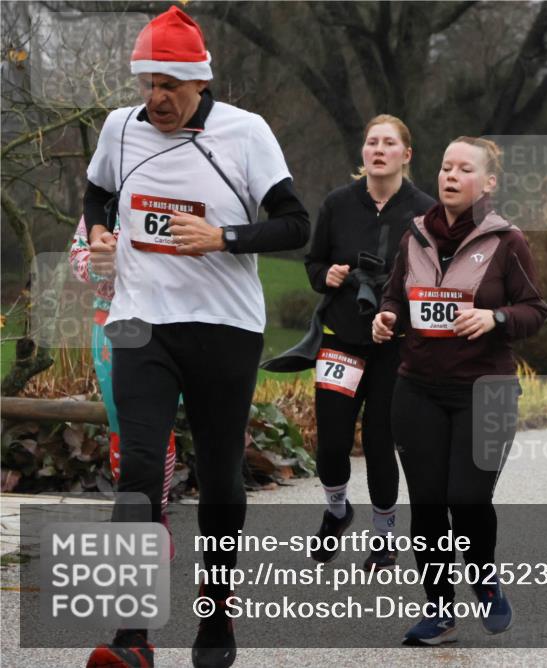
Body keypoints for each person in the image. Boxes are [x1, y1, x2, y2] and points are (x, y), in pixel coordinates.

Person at [82, 7, 309, 668]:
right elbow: (97, 192)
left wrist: (223, 237)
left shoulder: (245, 133)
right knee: (140, 474)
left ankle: (216, 623)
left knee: (219, 479)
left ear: (199, 83)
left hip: (224, 330)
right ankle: (132, 640)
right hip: (140, 321)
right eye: (146, 84)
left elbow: (296, 225)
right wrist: (101, 233)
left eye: (169, 87)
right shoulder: (121, 129)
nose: (155, 100)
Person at [373, 136, 547, 645]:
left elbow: (536, 309)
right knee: (427, 504)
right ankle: (440, 610)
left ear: (488, 183)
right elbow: (394, 296)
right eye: (445, 166)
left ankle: (486, 580)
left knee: (467, 499)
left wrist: (494, 316)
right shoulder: (414, 236)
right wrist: (387, 318)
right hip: (418, 388)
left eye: (463, 169)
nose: (449, 175)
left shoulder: (506, 241)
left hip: (485, 390)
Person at [262, 115, 435, 569]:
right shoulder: (339, 204)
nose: (378, 150)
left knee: (380, 442)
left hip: (395, 345)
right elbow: (314, 263)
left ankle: (383, 535)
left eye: (388, 143)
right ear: (363, 153)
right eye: (371, 142)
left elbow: (436, 279)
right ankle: (337, 510)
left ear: (405, 155)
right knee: (333, 443)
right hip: (340, 337)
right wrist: (330, 274)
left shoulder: (425, 211)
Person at [69, 217, 177, 561]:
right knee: (122, 427)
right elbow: (77, 256)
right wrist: (103, 265)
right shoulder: (104, 203)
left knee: (160, 424)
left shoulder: (171, 188)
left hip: (169, 321)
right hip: (112, 323)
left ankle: (156, 516)